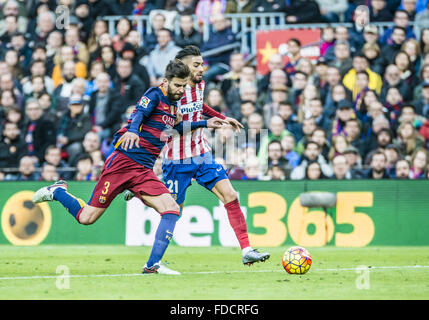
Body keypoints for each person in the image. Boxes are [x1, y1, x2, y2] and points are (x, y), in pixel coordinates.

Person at [33, 59, 226, 275]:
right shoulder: (154, 94)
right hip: (123, 164)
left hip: (144, 169)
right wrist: (133, 130)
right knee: (86, 218)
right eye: (177, 85)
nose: (181, 90)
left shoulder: (174, 105)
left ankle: (152, 265)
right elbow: (139, 114)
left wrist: (205, 123)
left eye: (183, 86)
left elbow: (173, 129)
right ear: (166, 81)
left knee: (171, 209)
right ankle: (58, 191)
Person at [125, 46, 270, 265]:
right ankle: (140, 194)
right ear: (183, 66)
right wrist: (205, 123)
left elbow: (199, 106)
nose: (202, 68)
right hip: (176, 161)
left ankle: (246, 249)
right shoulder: (171, 94)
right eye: (196, 64)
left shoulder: (200, 85)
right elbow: (172, 128)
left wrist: (222, 117)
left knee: (230, 195)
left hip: (202, 155)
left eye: (202, 64)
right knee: (172, 212)